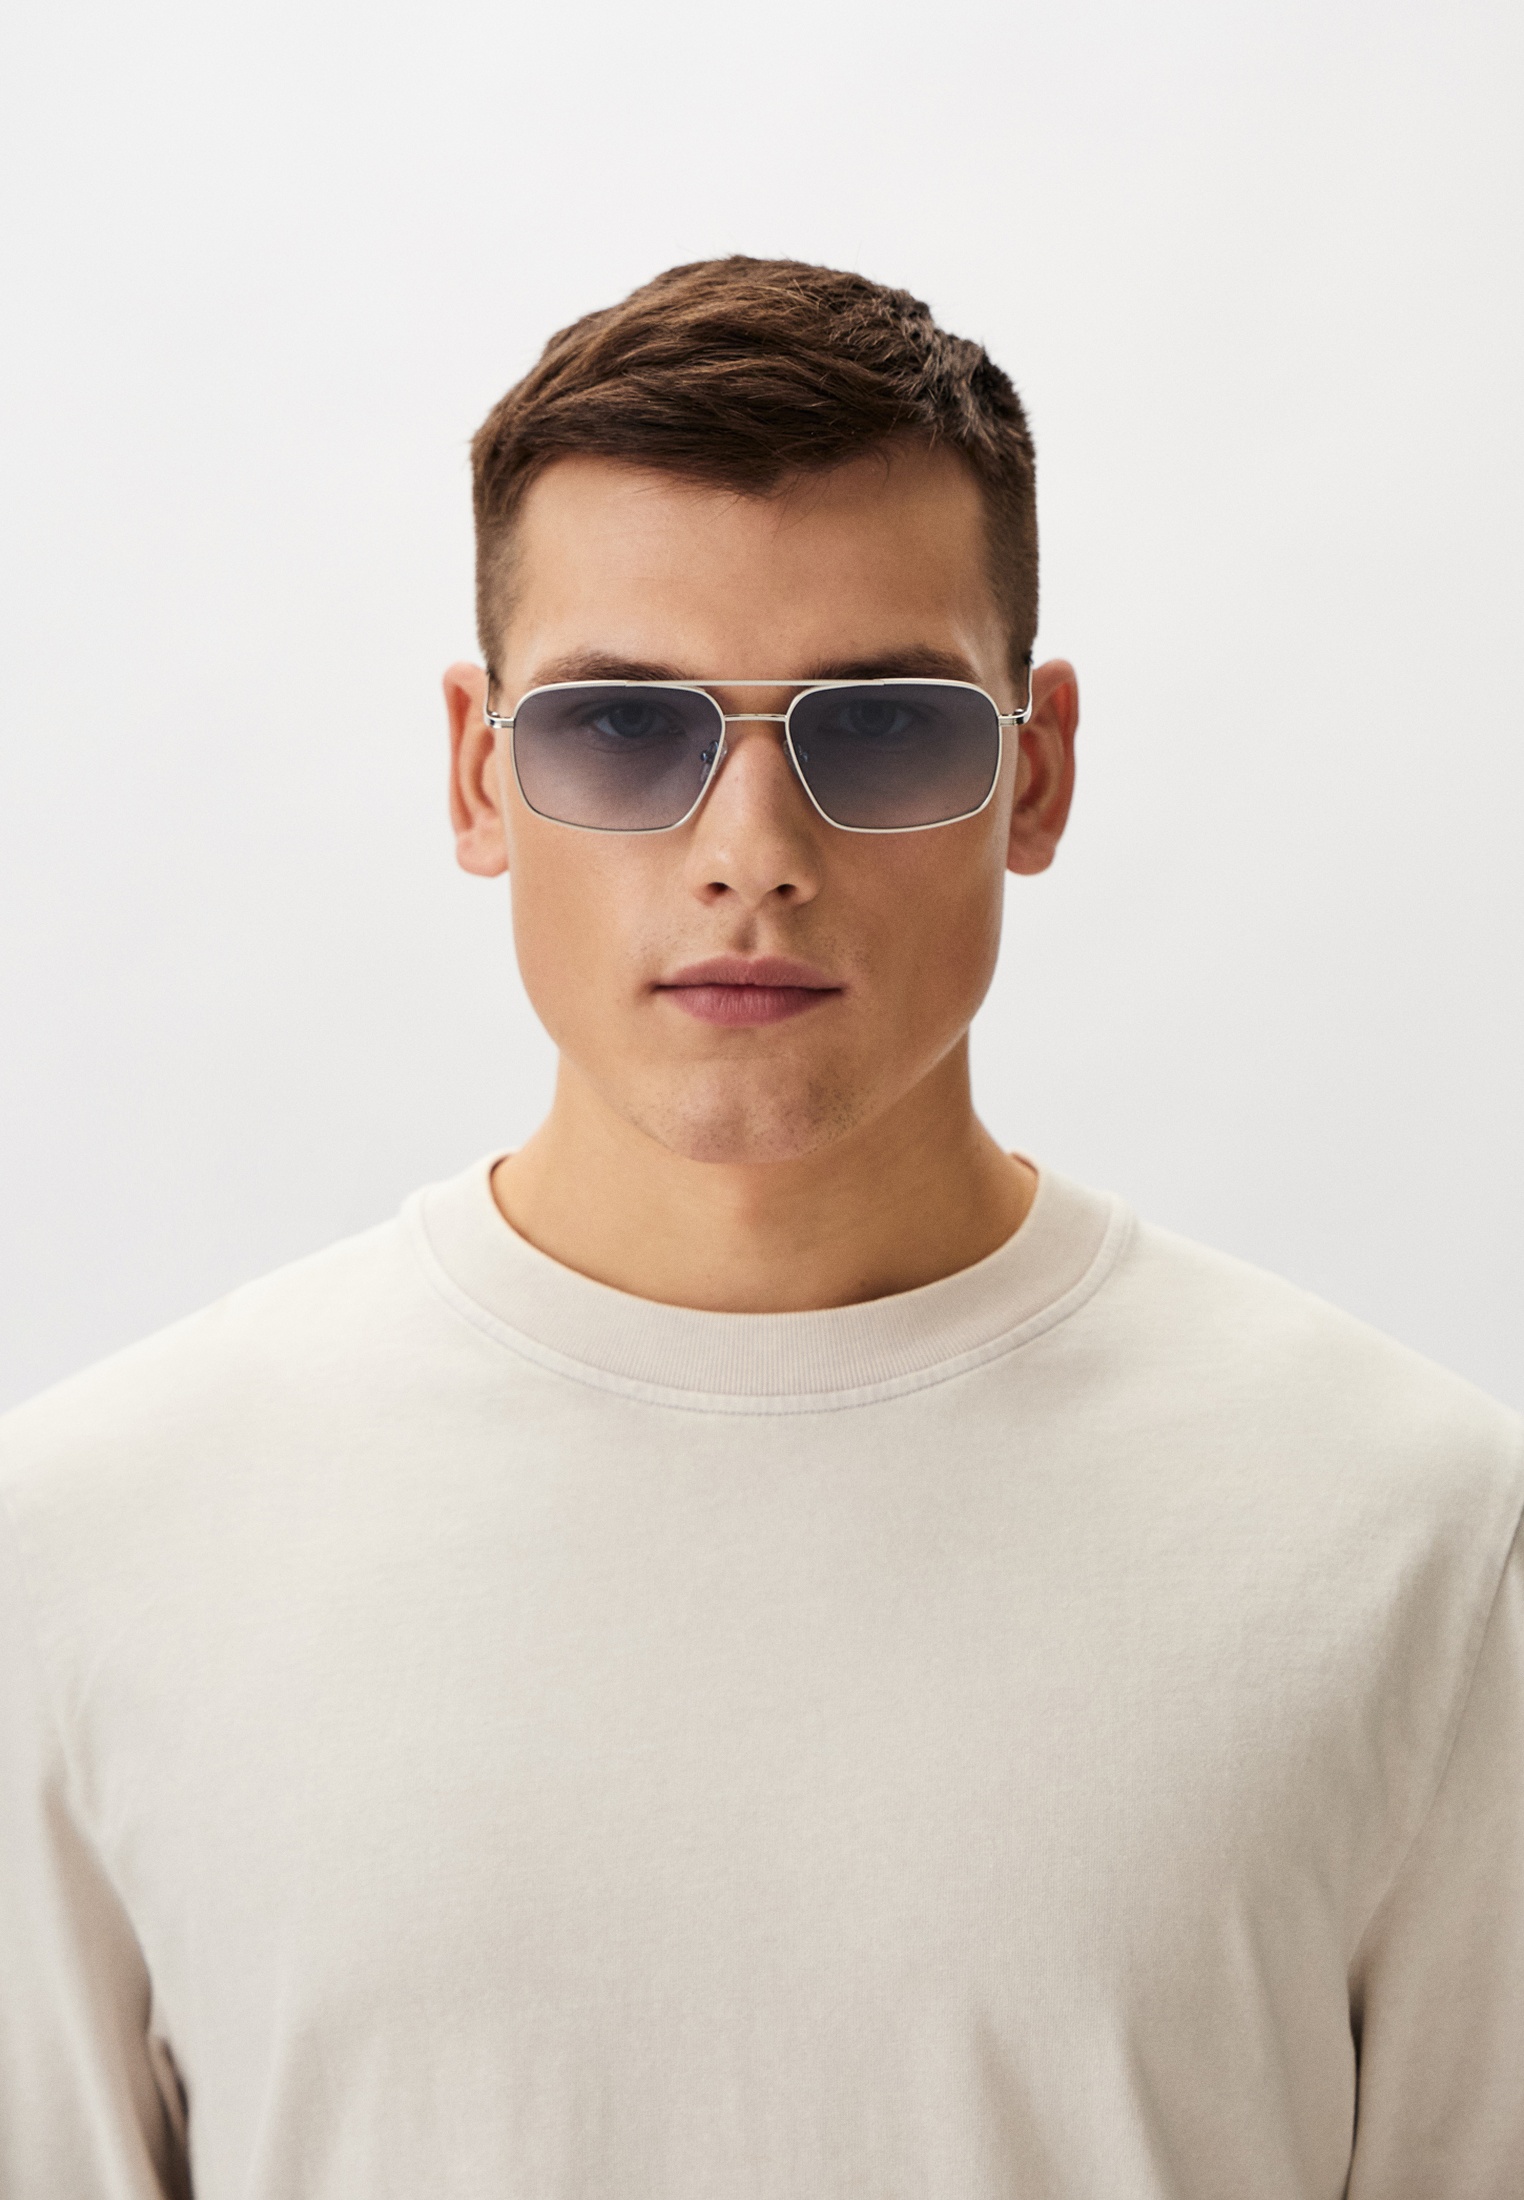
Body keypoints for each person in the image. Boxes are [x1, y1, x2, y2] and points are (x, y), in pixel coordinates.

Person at [1, 254, 1519, 2199]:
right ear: (478, 771)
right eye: (620, 727)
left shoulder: (1417, 1541)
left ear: (1036, 770)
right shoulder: (93, 1549)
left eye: (878, 729)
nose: (751, 852)